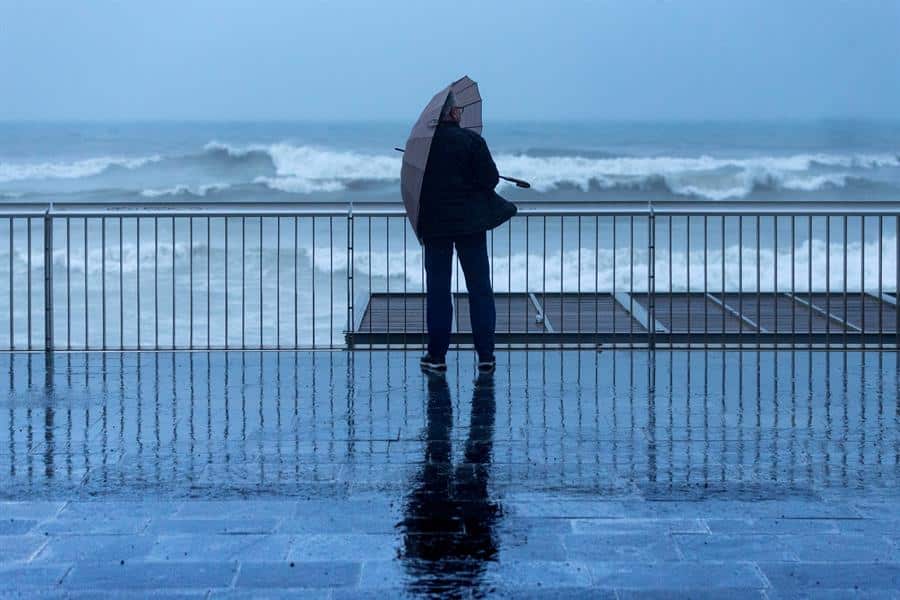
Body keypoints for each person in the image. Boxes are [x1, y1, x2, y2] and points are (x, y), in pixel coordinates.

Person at [417, 92, 516, 374]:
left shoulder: (425, 148)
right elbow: (490, 180)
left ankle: (436, 357)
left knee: (438, 291)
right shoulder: (473, 142)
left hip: (436, 228)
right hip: (471, 227)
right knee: (480, 290)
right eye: (458, 109)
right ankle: (486, 357)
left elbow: (421, 187)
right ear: (452, 114)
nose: (460, 113)